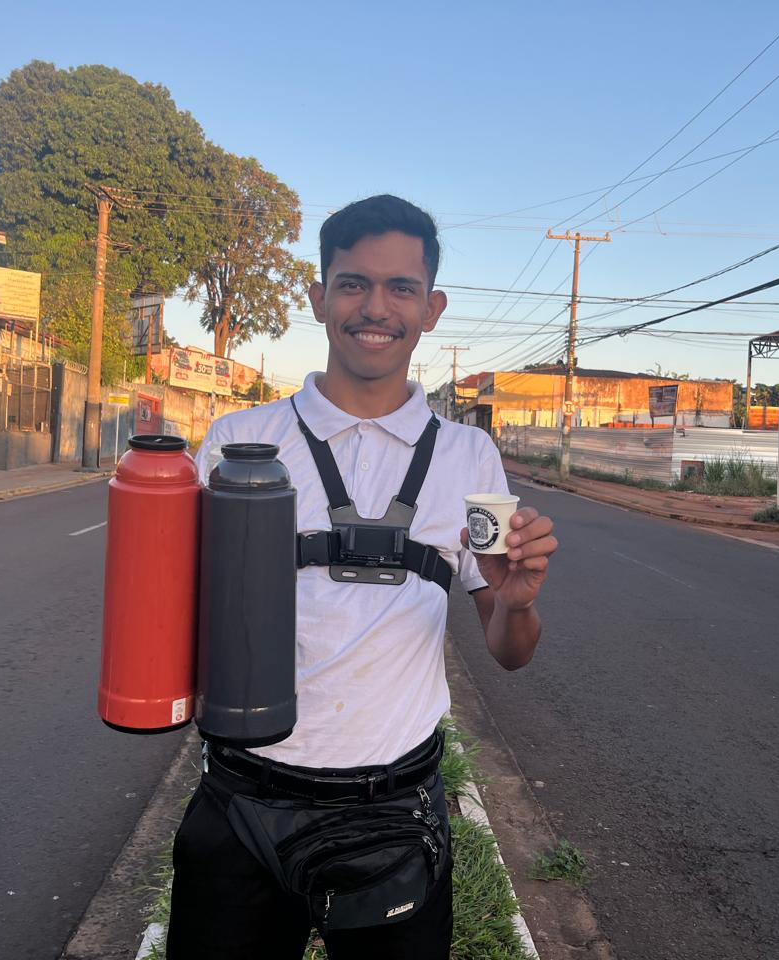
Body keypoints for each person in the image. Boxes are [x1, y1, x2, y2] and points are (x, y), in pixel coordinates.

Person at [166, 194, 558, 959]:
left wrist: (515, 602)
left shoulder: (470, 459)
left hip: (394, 814)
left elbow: (509, 649)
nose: (375, 307)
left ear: (431, 307)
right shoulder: (239, 439)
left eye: (401, 288)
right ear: (317, 298)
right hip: (244, 797)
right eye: (352, 283)